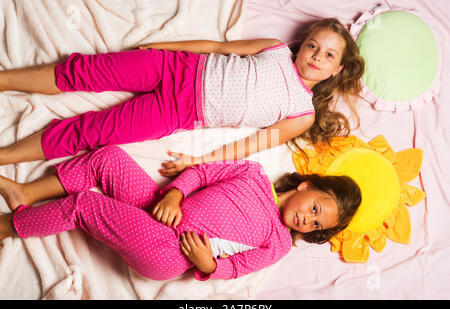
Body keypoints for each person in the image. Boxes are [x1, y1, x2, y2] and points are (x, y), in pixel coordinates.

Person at [0, 18, 364, 175]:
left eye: (329, 55)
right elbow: (218, 46)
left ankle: (5, 156)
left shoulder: (302, 114)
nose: (317, 55)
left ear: (336, 70)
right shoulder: (274, 48)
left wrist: (200, 161)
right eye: (313, 46)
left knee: (92, 133)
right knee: (82, 71)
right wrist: (165, 46)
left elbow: (251, 144)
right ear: (302, 46)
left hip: (177, 111)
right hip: (175, 67)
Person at [0, 145, 362, 280]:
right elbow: (203, 173)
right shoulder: (253, 173)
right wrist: (174, 194)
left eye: (315, 224)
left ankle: (7, 226)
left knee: (84, 205)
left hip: (171, 251)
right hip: (159, 207)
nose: (307, 220)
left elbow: (238, 268)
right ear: (306, 185)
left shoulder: (280, 242)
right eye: (314, 208)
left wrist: (208, 264)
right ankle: (24, 192)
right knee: (108, 158)